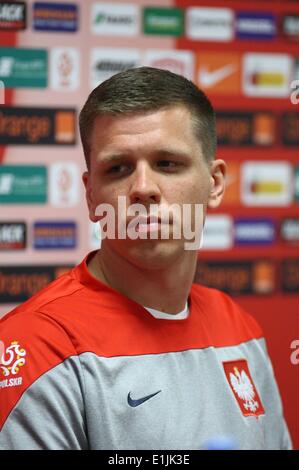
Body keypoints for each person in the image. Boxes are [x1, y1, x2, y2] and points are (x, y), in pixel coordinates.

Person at [0, 67, 292, 450]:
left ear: (215, 183)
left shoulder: (239, 327)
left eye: (167, 163)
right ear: (91, 196)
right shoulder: (37, 346)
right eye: (118, 168)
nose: (142, 189)